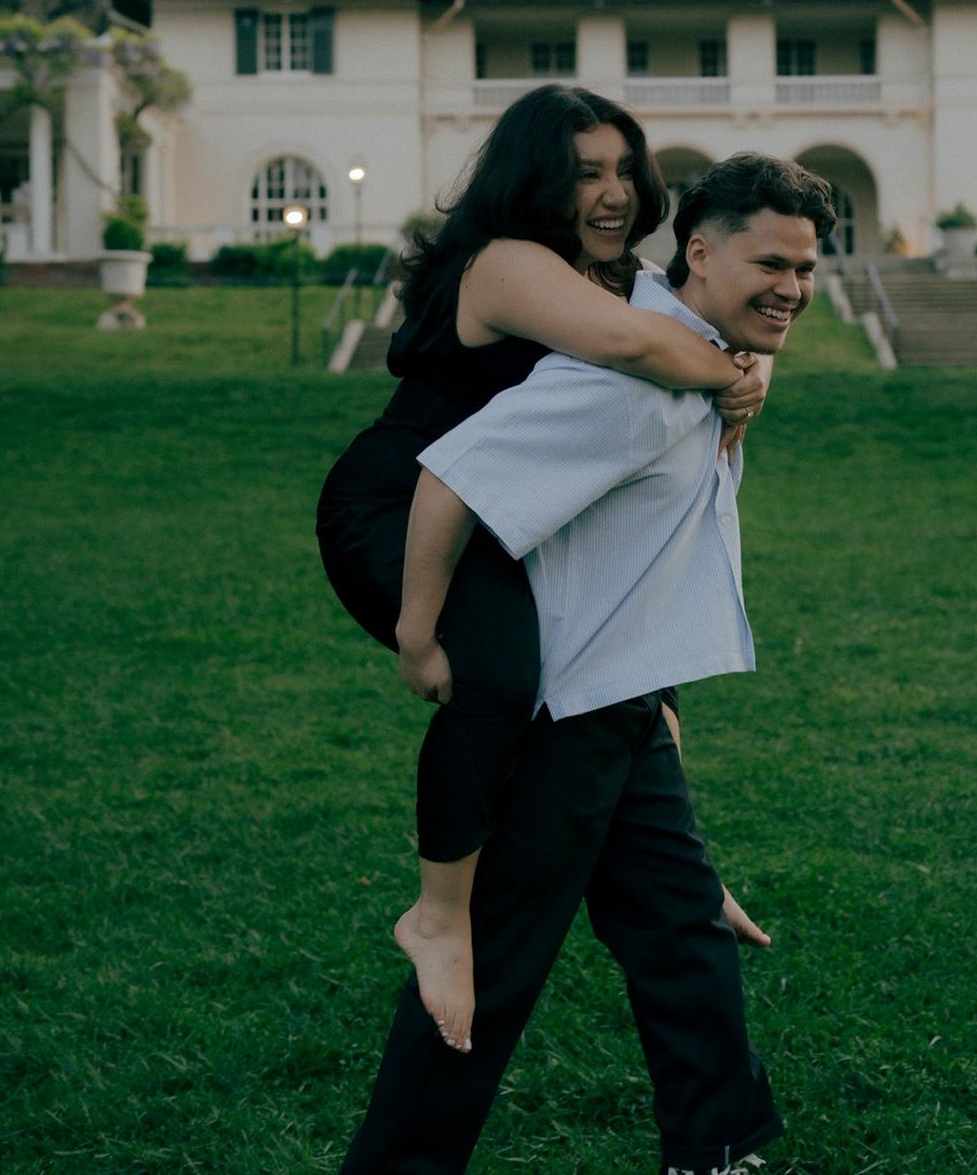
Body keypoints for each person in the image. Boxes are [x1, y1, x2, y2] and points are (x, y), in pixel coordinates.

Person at [340, 153, 836, 1174]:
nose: (792, 287)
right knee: (498, 957)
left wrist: (659, 717)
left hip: (628, 704)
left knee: (683, 930)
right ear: (700, 252)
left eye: (806, 268)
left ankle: (713, 1151)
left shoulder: (704, 363)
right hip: (559, 719)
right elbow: (452, 478)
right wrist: (420, 635)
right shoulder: (624, 383)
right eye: (771, 263)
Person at [317, 85, 770, 1055]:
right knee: (501, 674)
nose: (613, 193)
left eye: (623, 170)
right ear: (534, 180)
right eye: (583, 173)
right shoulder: (506, 261)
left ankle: (676, 876)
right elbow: (636, 341)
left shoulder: (615, 273)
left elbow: (710, 326)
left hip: (509, 519)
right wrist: (416, 635)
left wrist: (746, 363)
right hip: (403, 505)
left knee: (629, 673)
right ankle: (438, 917)